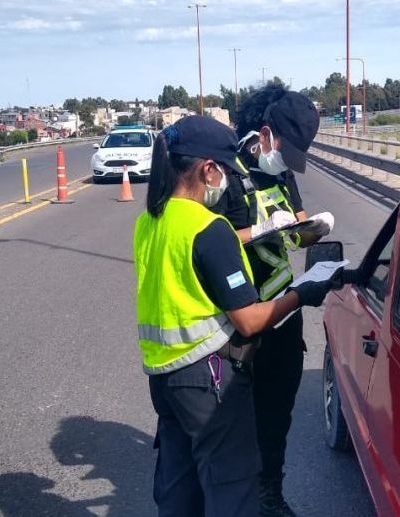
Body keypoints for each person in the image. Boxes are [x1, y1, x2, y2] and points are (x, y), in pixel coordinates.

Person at [133, 115, 337, 517]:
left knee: (179, 487)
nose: (227, 179)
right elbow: (247, 320)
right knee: (232, 490)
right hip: (208, 377)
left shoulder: (150, 220)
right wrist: (302, 294)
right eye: (224, 171)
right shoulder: (209, 229)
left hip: (164, 375)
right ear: (208, 170)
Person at [211, 85, 331, 516]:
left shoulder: (280, 172)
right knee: (237, 422)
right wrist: (261, 230)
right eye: (285, 150)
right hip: (238, 322)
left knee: (276, 418)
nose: (287, 163)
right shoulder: (225, 174)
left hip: (282, 315)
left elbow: (295, 228)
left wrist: (312, 230)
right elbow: (207, 240)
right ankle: (237, 502)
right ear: (264, 135)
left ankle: (270, 497)